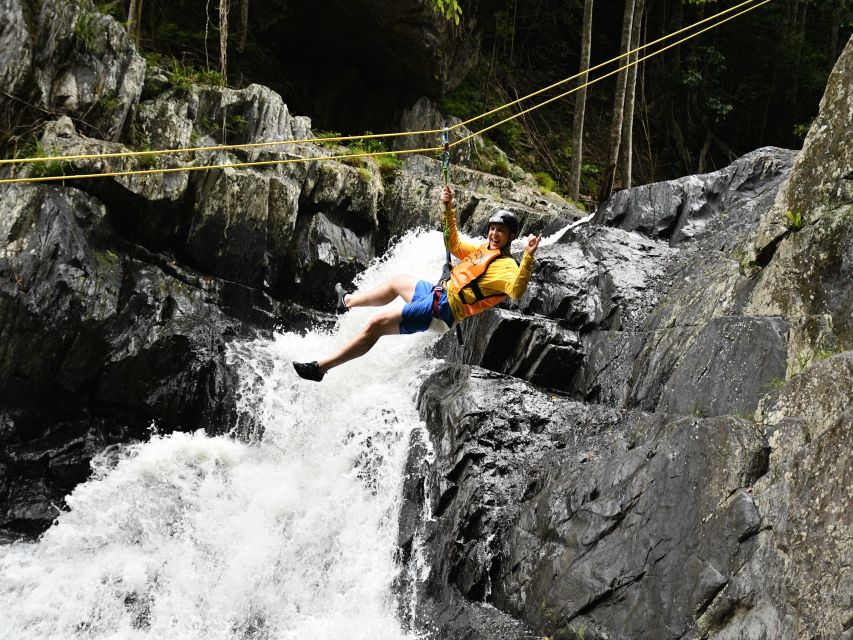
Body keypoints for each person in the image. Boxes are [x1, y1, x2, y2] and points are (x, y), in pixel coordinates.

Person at [292, 185, 541, 381]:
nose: (494, 234)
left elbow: (516, 291)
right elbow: (453, 244)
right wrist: (448, 208)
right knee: (398, 283)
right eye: (492, 228)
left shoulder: (507, 266)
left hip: (443, 310)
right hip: (437, 294)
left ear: (511, 237)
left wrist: (528, 256)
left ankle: (321, 369)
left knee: (376, 324)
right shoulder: (482, 248)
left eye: (501, 231)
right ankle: (347, 301)